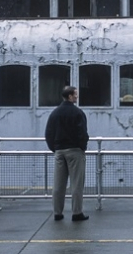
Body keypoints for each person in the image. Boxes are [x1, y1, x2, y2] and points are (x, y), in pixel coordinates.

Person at [45, 86, 89, 222]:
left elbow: (49, 133)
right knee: (76, 184)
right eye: (75, 94)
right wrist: (82, 147)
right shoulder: (78, 113)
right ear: (70, 96)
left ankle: (57, 213)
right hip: (75, 151)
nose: (77, 96)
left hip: (59, 151)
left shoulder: (55, 113)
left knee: (58, 184)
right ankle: (77, 213)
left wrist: (55, 148)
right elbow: (82, 133)